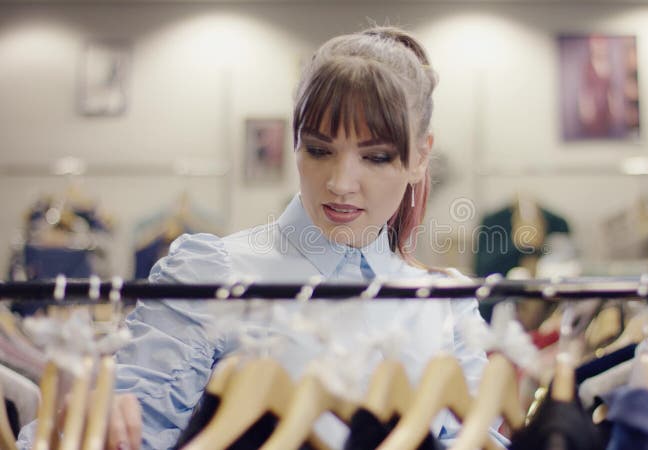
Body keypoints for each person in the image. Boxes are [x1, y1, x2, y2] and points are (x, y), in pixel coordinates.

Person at [18, 26, 502, 450]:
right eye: (318, 150)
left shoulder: (445, 303)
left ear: (421, 156)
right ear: (295, 146)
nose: (340, 182)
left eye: (374, 157)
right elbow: (133, 427)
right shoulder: (211, 273)